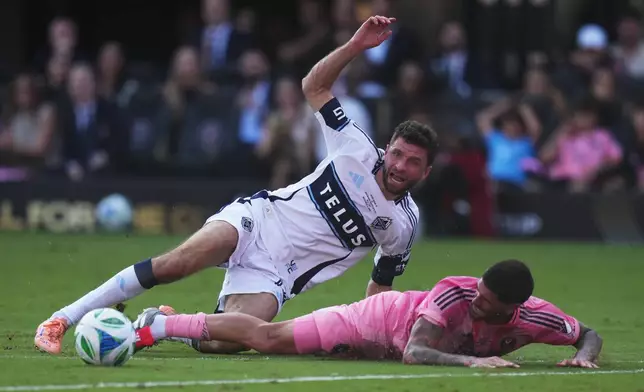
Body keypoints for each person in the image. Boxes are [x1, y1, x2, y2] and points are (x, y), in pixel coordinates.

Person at [35, 15, 438, 355]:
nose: (400, 165)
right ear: (387, 149)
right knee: (177, 263)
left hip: (279, 274)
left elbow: (381, 288)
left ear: (426, 172)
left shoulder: (403, 226)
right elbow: (313, 87)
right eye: (398, 154)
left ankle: (164, 322)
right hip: (257, 220)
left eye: (413, 162)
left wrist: (373, 334)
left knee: (227, 343)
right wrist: (353, 46)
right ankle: (61, 319)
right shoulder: (356, 148)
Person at [135, 260, 603, 369]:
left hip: (379, 348)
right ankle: (158, 325)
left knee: (227, 345)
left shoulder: (537, 319)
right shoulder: (451, 294)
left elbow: (589, 333)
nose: (476, 303)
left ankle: (178, 326)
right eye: (477, 294)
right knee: (269, 338)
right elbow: (416, 351)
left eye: (486, 304)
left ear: (513, 309)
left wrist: (584, 355)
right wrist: (473, 362)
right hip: (376, 322)